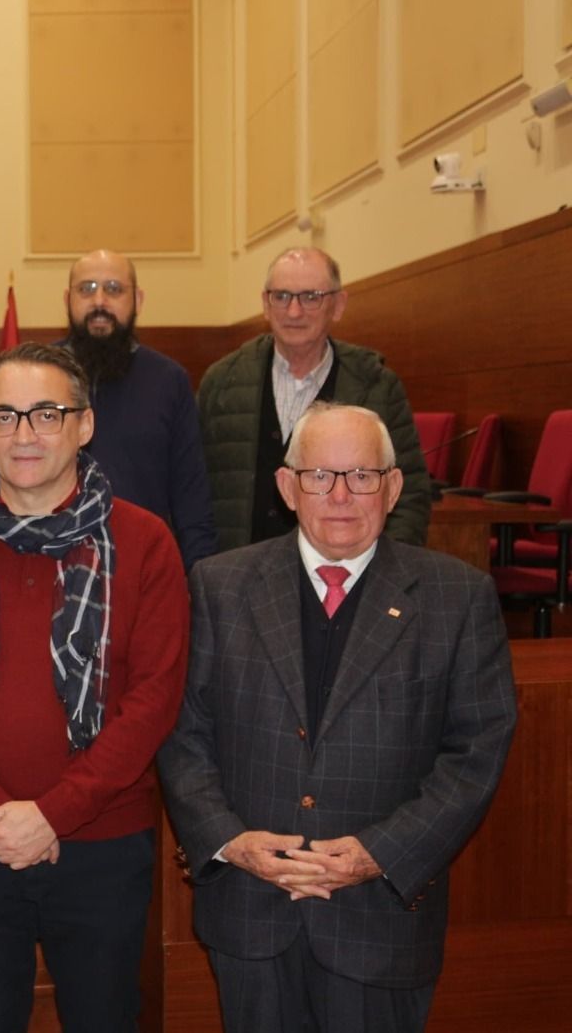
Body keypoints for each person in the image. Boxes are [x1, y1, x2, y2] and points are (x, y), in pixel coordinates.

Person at [157, 402, 516, 1033]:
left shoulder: (457, 596)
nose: (342, 496)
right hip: (252, 909)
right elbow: (183, 733)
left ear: (394, 486)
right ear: (288, 487)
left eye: (363, 476)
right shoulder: (219, 585)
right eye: (320, 476)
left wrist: (377, 854)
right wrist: (232, 842)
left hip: (379, 916)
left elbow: (475, 754)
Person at [0, 343, 190, 1031]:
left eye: (46, 414)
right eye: (5, 415)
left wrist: (52, 813)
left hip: (102, 844)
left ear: (84, 425)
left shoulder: (145, 543)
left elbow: (153, 701)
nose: (24, 435)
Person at [198, 247, 430, 552]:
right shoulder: (222, 383)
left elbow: (409, 494)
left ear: (338, 305)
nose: (294, 311)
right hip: (241, 579)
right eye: (281, 296)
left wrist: (381, 575)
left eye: (311, 297)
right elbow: (192, 490)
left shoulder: (377, 387)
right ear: (266, 304)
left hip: (346, 579)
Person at [60, 248, 216, 570]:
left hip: (142, 568)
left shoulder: (169, 380)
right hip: (53, 564)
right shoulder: (39, 373)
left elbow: (191, 500)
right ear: (67, 300)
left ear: (138, 300)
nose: (99, 301)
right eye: (86, 289)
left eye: (114, 289)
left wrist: (202, 591)